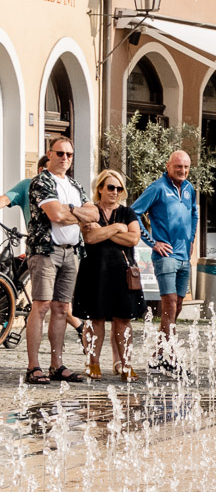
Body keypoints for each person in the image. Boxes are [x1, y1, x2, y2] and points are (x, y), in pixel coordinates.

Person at [21, 138, 97, 384]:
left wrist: (70, 210)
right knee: (41, 305)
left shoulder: (74, 184)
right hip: (46, 250)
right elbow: (55, 214)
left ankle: (57, 365)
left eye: (69, 155)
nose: (65, 158)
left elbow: (94, 214)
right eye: (61, 153)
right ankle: (33, 367)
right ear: (50, 154)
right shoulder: (41, 181)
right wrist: (78, 213)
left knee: (62, 308)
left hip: (71, 251)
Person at [130, 148, 198, 365]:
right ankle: (171, 356)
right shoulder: (158, 188)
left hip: (184, 257)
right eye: (178, 166)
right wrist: (152, 242)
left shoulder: (189, 188)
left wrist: (192, 240)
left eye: (186, 167)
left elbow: (194, 213)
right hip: (166, 256)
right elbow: (133, 213)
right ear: (168, 166)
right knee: (169, 304)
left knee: (178, 306)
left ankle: (159, 354)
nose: (182, 170)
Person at [74, 170, 143, 381]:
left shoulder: (127, 213)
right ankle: (92, 363)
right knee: (95, 319)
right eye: (111, 187)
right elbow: (90, 238)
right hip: (95, 271)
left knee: (123, 320)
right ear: (100, 188)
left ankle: (126, 364)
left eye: (119, 188)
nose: (115, 192)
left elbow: (133, 239)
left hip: (122, 273)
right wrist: (117, 228)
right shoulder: (90, 210)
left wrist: (104, 231)